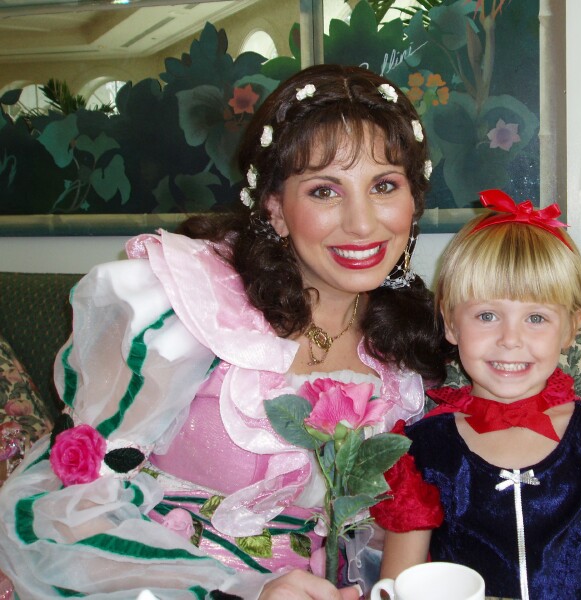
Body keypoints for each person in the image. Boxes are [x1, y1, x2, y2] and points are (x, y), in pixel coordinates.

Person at [0, 64, 448, 599]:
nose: (362, 223)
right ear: (276, 209)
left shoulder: (407, 349)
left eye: (384, 186)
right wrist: (241, 591)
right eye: (325, 191)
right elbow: (65, 507)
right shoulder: (191, 308)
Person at [371, 189, 581, 599]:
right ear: (450, 323)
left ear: (570, 328)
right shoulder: (421, 453)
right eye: (487, 315)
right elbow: (401, 586)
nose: (510, 339)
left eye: (536, 318)